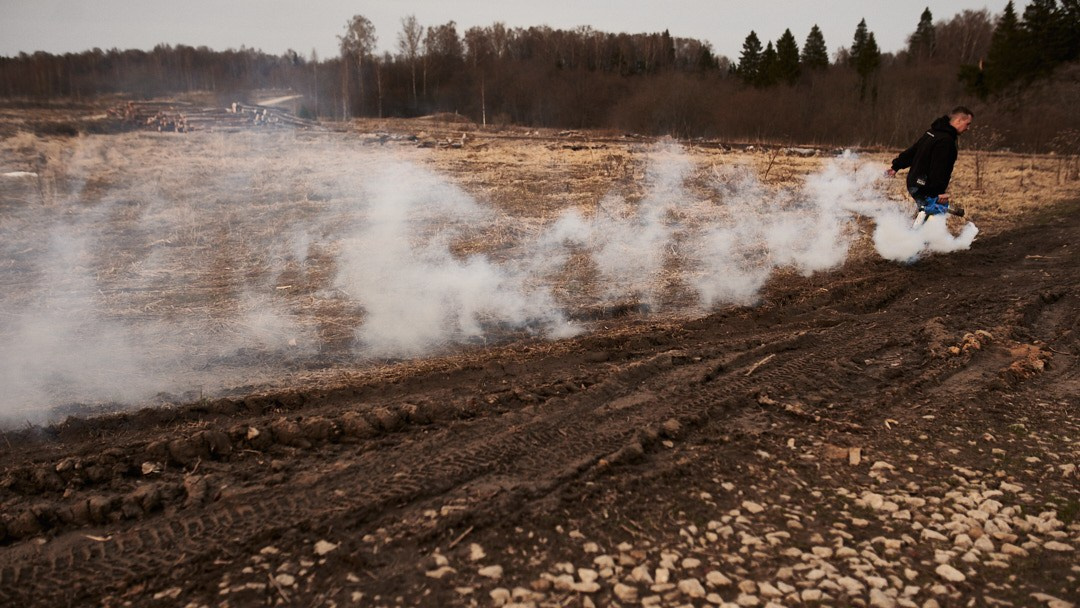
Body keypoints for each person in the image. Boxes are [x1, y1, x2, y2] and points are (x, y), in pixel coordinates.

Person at [886, 106, 974, 226]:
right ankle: (913, 236)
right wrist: (938, 192)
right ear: (958, 120)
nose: (968, 128)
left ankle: (917, 233)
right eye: (967, 124)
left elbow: (913, 151)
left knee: (933, 214)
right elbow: (939, 169)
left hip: (914, 183)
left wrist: (895, 166)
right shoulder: (946, 140)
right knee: (932, 214)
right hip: (925, 187)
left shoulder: (933, 132)